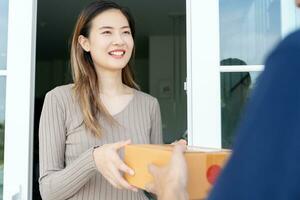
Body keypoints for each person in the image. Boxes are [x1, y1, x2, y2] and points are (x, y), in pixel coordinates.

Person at [147, 0, 300, 199]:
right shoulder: (212, 117)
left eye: (231, 85)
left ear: (245, 85)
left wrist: (170, 190)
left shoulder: (290, 59)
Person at [38, 1, 163, 199]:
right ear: (84, 43)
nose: (119, 40)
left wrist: (173, 164)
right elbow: (48, 191)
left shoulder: (149, 105)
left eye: (125, 32)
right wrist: (93, 159)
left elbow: (155, 188)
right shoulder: (58, 100)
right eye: (107, 32)